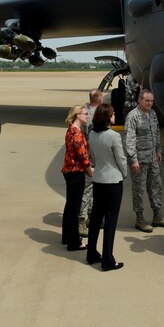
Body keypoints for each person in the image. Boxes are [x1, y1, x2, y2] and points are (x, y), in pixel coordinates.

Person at [124, 89, 164, 232]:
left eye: (152, 101)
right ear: (140, 100)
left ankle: (157, 216)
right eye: (147, 101)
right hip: (139, 160)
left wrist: (158, 150)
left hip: (152, 158)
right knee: (139, 189)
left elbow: (156, 133)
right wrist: (133, 159)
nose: (150, 103)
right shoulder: (133, 116)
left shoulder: (152, 113)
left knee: (156, 187)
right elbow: (129, 140)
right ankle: (140, 219)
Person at [87, 104, 127, 271]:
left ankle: (91, 253)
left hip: (98, 179)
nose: (114, 115)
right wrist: (124, 174)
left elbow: (94, 156)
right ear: (107, 117)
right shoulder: (113, 136)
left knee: (96, 217)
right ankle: (108, 260)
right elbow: (121, 159)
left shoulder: (92, 134)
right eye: (112, 114)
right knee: (110, 221)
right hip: (112, 181)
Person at [61, 105, 93, 251]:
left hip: (69, 171)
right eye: (85, 114)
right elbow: (82, 156)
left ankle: (67, 236)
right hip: (76, 172)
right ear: (78, 115)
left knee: (70, 206)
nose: (87, 116)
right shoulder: (77, 133)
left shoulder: (70, 131)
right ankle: (74, 242)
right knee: (74, 207)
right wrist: (89, 170)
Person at [78, 89, 104, 237]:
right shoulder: (93, 116)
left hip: (91, 157)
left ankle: (91, 217)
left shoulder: (84, 112)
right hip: (90, 158)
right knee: (88, 189)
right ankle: (82, 219)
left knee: (93, 189)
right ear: (100, 100)